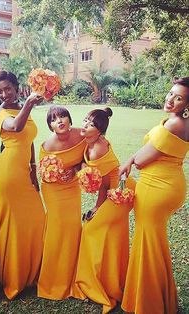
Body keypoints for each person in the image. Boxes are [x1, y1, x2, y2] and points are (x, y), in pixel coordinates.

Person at [119, 77, 189, 314]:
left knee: (149, 243)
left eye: (179, 98)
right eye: (171, 93)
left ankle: (150, 305)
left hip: (157, 188)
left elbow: (142, 159)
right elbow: (144, 154)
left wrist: (131, 160)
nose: (171, 99)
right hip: (168, 184)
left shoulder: (174, 125)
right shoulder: (177, 122)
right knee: (153, 242)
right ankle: (157, 298)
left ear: (187, 105)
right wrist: (130, 159)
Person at [72, 108, 135, 313]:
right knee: (109, 234)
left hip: (121, 192)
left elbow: (104, 185)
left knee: (91, 229)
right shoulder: (89, 143)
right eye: (85, 121)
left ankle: (95, 284)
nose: (85, 126)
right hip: (111, 190)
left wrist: (98, 206)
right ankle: (109, 280)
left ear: (99, 132)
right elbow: (103, 183)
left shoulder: (98, 148)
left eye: (90, 125)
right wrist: (97, 207)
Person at [0, 71, 45, 299]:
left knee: (35, 218)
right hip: (8, 172)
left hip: (24, 171)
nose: (4, 94)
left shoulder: (22, 107)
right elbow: (15, 128)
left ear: (16, 87)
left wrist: (33, 167)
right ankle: (12, 276)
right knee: (12, 223)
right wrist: (31, 103)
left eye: (7, 89)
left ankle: (32, 271)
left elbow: (29, 140)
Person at [37, 105, 86, 300]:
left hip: (72, 188)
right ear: (50, 126)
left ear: (69, 119)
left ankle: (74, 274)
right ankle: (53, 280)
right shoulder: (48, 146)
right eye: (54, 119)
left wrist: (76, 169)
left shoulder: (81, 135)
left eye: (63, 116)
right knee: (58, 229)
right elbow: (44, 174)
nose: (60, 121)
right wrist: (56, 176)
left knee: (73, 227)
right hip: (54, 191)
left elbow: (86, 156)